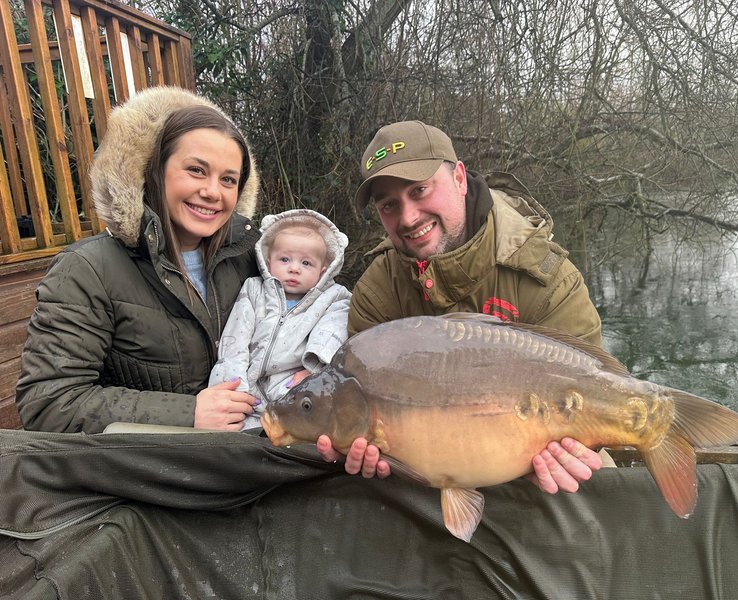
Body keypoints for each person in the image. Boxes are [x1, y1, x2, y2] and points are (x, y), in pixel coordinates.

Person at [318, 120, 607, 493]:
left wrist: (575, 449)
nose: (408, 218)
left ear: (459, 178)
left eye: (420, 190)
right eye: (390, 205)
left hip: (545, 477)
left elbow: (597, 394)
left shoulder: (546, 277)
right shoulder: (377, 291)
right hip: (422, 481)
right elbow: (359, 415)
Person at [14, 87, 264, 433]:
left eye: (228, 180)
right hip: (145, 474)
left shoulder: (251, 258)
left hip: (245, 458)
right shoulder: (88, 269)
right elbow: (49, 404)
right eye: (195, 170)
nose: (212, 192)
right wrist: (188, 413)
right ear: (154, 170)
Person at [208, 209, 351, 431]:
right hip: (250, 389)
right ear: (268, 261)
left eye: (306, 263)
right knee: (235, 433)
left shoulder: (333, 299)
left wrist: (315, 371)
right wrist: (234, 386)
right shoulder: (254, 290)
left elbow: (332, 334)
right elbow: (236, 337)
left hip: (295, 386)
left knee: (306, 426)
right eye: (285, 259)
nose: (294, 268)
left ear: (324, 271)